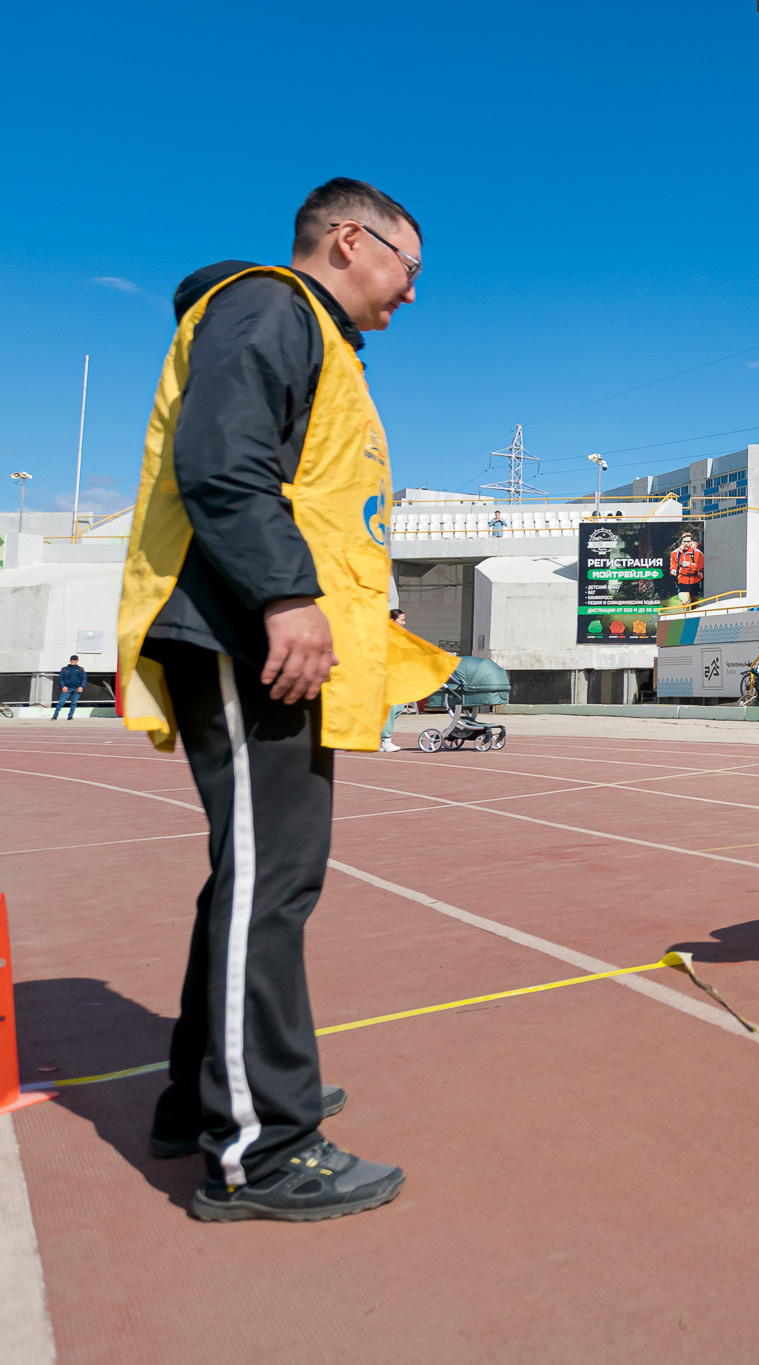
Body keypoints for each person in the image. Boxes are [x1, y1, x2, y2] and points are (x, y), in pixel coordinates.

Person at [114, 178, 454, 1223]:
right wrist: (285, 595)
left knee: (257, 875)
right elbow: (220, 464)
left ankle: (204, 1099)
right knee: (272, 883)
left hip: (260, 633)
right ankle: (261, 1147)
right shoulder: (270, 307)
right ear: (351, 240)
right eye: (408, 270)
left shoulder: (310, 334)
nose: (408, 298)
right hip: (241, 628)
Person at [379, 609, 409, 751]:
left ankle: (378, 737)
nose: (404, 622)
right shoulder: (383, 635)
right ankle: (386, 739)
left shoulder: (400, 635)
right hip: (383, 676)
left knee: (399, 707)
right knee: (390, 707)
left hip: (395, 676)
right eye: (401, 620)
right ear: (392, 621)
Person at [668, 530, 704, 602]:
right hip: (683, 579)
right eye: (684, 541)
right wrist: (673, 570)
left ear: (691, 542)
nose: (686, 543)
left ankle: (693, 611)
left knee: (694, 603)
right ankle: (684, 611)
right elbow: (673, 564)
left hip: (695, 579)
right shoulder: (675, 553)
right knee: (684, 601)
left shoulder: (698, 553)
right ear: (681, 542)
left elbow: (701, 567)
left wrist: (689, 565)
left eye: (688, 541)